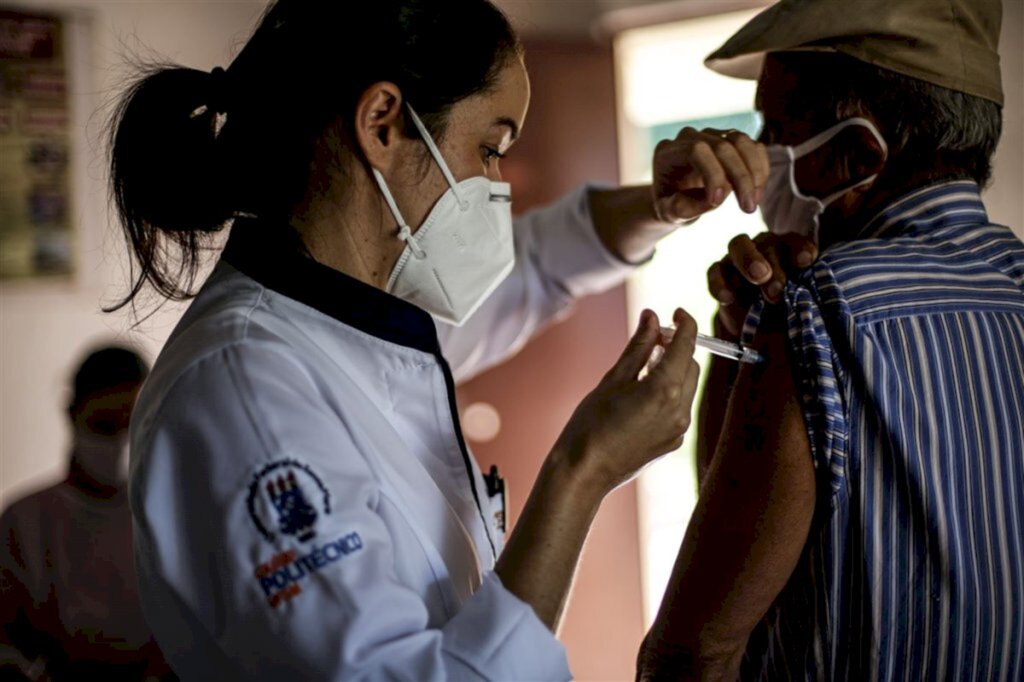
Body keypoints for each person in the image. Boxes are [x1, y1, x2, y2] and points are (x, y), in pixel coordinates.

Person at [106, 1, 771, 678]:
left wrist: (657, 205)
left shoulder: (357, 319)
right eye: (490, 148)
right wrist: (584, 469)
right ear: (383, 124)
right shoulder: (244, 390)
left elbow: (537, 264)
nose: (497, 186)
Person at [638, 0, 1024, 679]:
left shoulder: (819, 308)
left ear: (857, 152)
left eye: (776, 129)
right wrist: (741, 330)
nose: (758, 157)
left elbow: (698, 648)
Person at [0, 346, 174, 681]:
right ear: (72, 415)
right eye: (104, 426)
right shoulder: (25, 522)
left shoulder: (170, 515)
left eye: (133, 426)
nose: (121, 442)